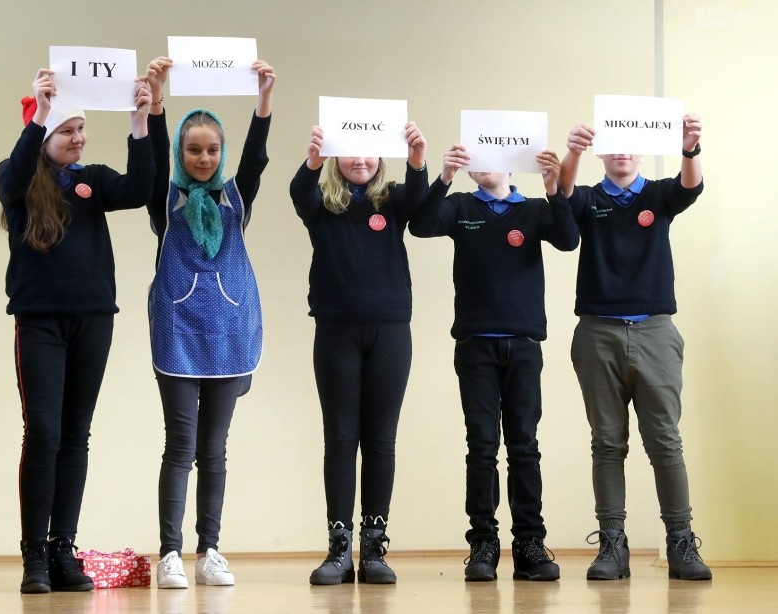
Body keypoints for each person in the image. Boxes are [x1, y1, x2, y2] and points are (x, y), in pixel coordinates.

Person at [0, 68, 154, 594]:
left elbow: (141, 188)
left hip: (93, 320)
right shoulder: (18, 181)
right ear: (45, 135)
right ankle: (34, 556)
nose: (79, 137)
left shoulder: (93, 181)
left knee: (75, 435)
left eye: (82, 128)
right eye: (67, 130)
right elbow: (12, 178)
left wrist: (140, 123)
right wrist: (40, 112)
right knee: (43, 433)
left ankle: (65, 549)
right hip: (39, 322)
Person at [409, 145, 578, 582]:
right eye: (475, 156)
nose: (483, 163)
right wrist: (443, 175)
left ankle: (529, 544)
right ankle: (483, 543)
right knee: (482, 447)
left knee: (524, 446)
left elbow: (568, 239)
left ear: (509, 163)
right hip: (475, 345)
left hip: (523, 344)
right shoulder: (460, 206)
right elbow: (421, 224)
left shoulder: (535, 209)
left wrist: (554, 190)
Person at [559, 115, 712, 581]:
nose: (622, 152)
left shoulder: (658, 193)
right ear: (602, 153)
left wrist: (689, 148)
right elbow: (562, 196)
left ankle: (681, 542)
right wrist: (573, 153)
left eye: (630, 147)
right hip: (597, 332)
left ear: (643, 152)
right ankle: (612, 545)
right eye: (612, 146)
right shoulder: (588, 197)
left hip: (656, 332)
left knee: (665, 441)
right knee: (607, 444)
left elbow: (691, 187)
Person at [143, 56, 276, 589]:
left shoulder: (237, 198)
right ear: (181, 152)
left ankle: (210, 550)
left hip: (228, 335)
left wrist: (264, 101)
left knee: (214, 451)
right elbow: (152, 158)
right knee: (181, 445)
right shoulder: (165, 197)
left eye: (212, 149)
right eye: (193, 149)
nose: (203, 157)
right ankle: (170, 554)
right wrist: (157, 99)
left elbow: (258, 159)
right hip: (177, 334)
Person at [289, 122, 428, 585]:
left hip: (390, 330)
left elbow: (420, 196)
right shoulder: (323, 206)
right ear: (334, 156)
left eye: (369, 153)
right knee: (341, 439)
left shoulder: (391, 203)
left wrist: (418, 157)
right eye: (349, 153)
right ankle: (338, 549)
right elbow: (298, 192)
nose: (360, 160)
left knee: (381, 440)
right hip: (335, 332)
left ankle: (373, 549)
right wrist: (311, 159)